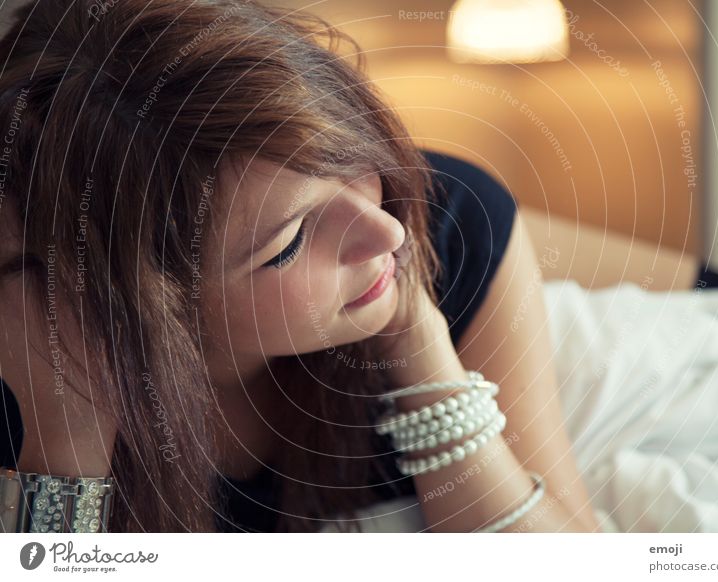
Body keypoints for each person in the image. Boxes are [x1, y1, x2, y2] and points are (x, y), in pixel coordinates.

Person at [0, 0, 599, 533]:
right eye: (288, 243)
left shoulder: (448, 223)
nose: (385, 230)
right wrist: (62, 455)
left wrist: (424, 354)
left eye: (347, 156)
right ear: (145, 307)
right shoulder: (30, 354)